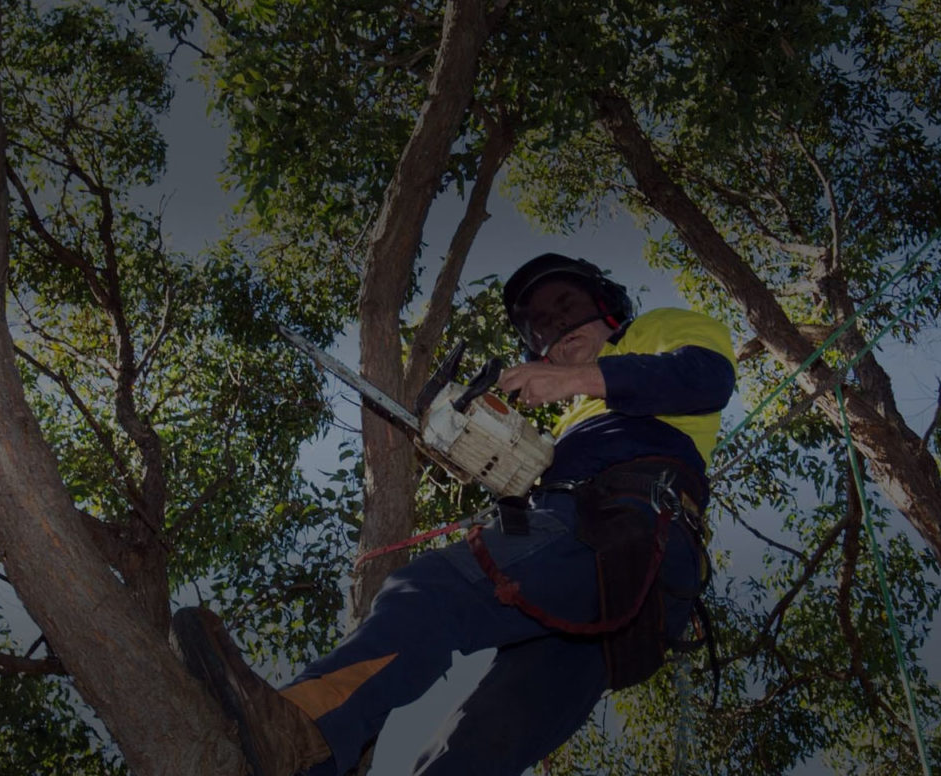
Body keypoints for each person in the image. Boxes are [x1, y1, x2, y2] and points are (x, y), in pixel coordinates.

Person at [170, 254, 737, 776]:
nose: (558, 332)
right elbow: (532, 503)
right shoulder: (570, 426)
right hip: (622, 595)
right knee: (481, 743)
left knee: (431, 593)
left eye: (567, 309)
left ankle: (303, 731)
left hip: (623, 526)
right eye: (542, 329)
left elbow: (706, 379)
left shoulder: (656, 333)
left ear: (607, 305)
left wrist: (573, 380)